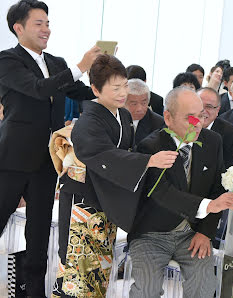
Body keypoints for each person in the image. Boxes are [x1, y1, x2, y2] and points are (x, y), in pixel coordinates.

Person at [52, 54, 178, 297]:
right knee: (77, 271)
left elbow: (125, 152)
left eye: (124, 86)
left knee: (100, 269)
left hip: (106, 199)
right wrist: (148, 161)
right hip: (83, 201)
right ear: (96, 90)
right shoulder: (89, 120)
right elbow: (102, 154)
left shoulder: (124, 115)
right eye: (116, 88)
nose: (123, 93)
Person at [0, 1, 100, 295]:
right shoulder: (7, 60)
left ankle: (33, 291)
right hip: (12, 159)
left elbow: (77, 91)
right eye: (38, 23)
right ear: (19, 28)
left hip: (47, 160)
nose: (46, 29)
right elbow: (37, 89)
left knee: (39, 231)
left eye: (48, 23)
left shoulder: (55, 62)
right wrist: (80, 66)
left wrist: (107, 84)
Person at [130, 87, 233, 297]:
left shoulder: (213, 141)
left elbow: (217, 189)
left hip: (192, 232)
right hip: (151, 234)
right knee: (147, 289)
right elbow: (163, 193)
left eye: (201, 116)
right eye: (190, 118)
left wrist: (205, 232)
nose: (198, 124)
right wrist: (209, 205)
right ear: (168, 117)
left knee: (203, 286)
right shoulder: (150, 147)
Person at [198, 87, 233, 168]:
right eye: (199, 105)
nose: (203, 111)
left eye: (209, 107)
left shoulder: (230, 133)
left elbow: (227, 167)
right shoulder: (183, 127)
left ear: (217, 110)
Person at [125, 78, 164, 145]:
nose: (139, 109)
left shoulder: (159, 124)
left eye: (143, 103)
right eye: (134, 104)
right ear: (123, 102)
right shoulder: (114, 118)